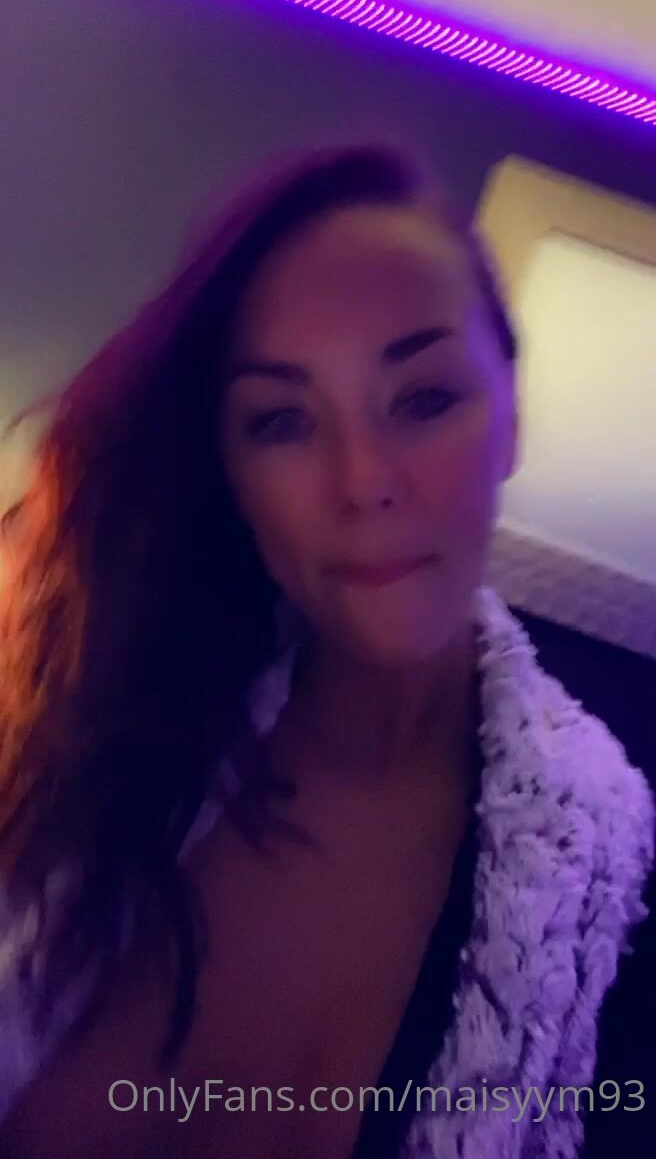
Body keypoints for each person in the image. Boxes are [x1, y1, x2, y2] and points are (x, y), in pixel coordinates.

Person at [0, 143, 653, 1159]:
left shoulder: (609, 909)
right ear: (229, 468)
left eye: (423, 399)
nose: (362, 482)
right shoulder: (69, 720)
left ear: (512, 416)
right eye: (282, 421)